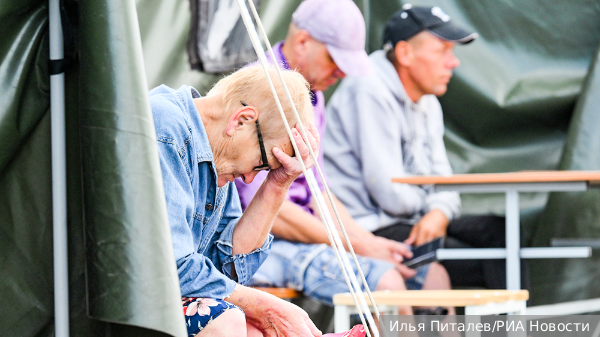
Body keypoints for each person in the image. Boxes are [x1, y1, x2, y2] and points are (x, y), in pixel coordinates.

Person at [235, 0, 453, 316]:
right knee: (388, 282)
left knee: (432, 276)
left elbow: (318, 191)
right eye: (335, 60)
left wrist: (368, 242)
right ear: (303, 42)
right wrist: (359, 245)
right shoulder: (261, 90)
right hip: (259, 246)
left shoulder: (313, 93)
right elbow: (269, 210)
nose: (342, 71)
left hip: (308, 238)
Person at [324, 4, 527, 290]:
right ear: (406, 53)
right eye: (442, 50)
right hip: (371, 228)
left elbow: (444, 181)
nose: (453, 62)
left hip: (413, 219)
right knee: (489, 262)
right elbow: (389, 193)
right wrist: (432, 206)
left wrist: (439, 213)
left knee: (503, 233)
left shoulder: (429, 99)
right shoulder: (367, 89)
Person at [150, 66, 323, 337]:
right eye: (262, 165)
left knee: (252, 327)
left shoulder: (218, 155)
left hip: (161, 298)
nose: (249, 178)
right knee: (228, 321)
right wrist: (266, 306)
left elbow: (228, 270)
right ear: (241, 120)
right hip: (113, 302)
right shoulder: (165, 124)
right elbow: (170, 267)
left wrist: (279, 182)